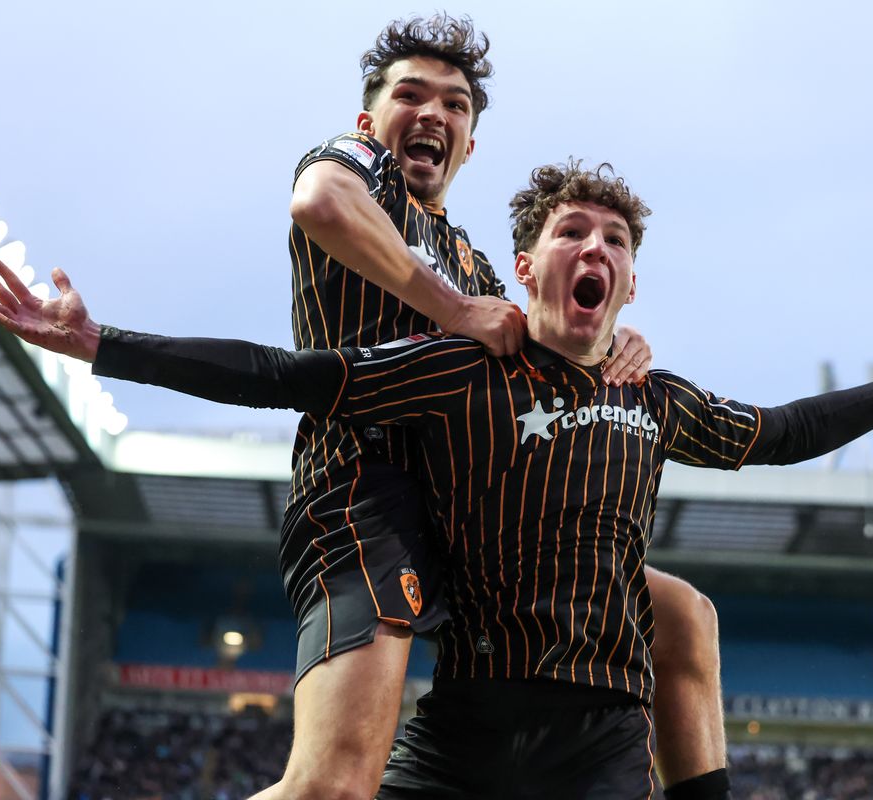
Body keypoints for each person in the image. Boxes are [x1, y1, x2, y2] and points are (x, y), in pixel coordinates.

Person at [0, 159, 873, 798]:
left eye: (613, 238)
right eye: (572, 231)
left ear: (629, 282)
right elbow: (281, 374)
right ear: (527, 267)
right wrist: (101, 341)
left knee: (687, 616)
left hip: (603, 736)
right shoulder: (460, 366)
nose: (593, 245)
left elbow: (783, 430)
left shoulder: (654, 398)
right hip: (468, 723)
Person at [268, 13, 725, 799]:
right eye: (411, 95)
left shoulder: (472, 260)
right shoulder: (358, 171)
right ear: (369, 120)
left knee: (680, 612)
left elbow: (539, 339)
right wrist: (449, 310)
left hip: (469, 531)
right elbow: (318, 204)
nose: (434, 114)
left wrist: (617, 340)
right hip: (365, 503)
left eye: (455, 105)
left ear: (470, 142)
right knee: (331, 789)